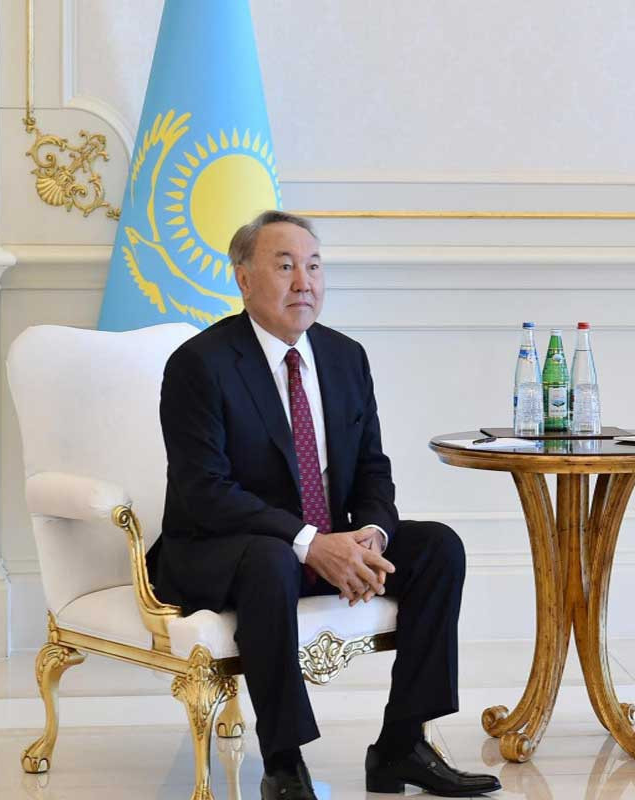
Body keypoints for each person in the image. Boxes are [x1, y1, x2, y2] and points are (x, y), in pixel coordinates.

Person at [146, 210, 501, 800]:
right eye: (285, 266)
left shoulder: (344, 357)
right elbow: (205, 492)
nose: (303, 282)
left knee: (438, 548)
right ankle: (283, 763)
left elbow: (372, 469)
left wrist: (370, 536)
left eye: (313, 266)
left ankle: (401, 746)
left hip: (324, 541)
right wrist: (311, 543)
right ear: (243, 279)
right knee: (271, 560)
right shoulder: (200, 364)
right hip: (221, 550)